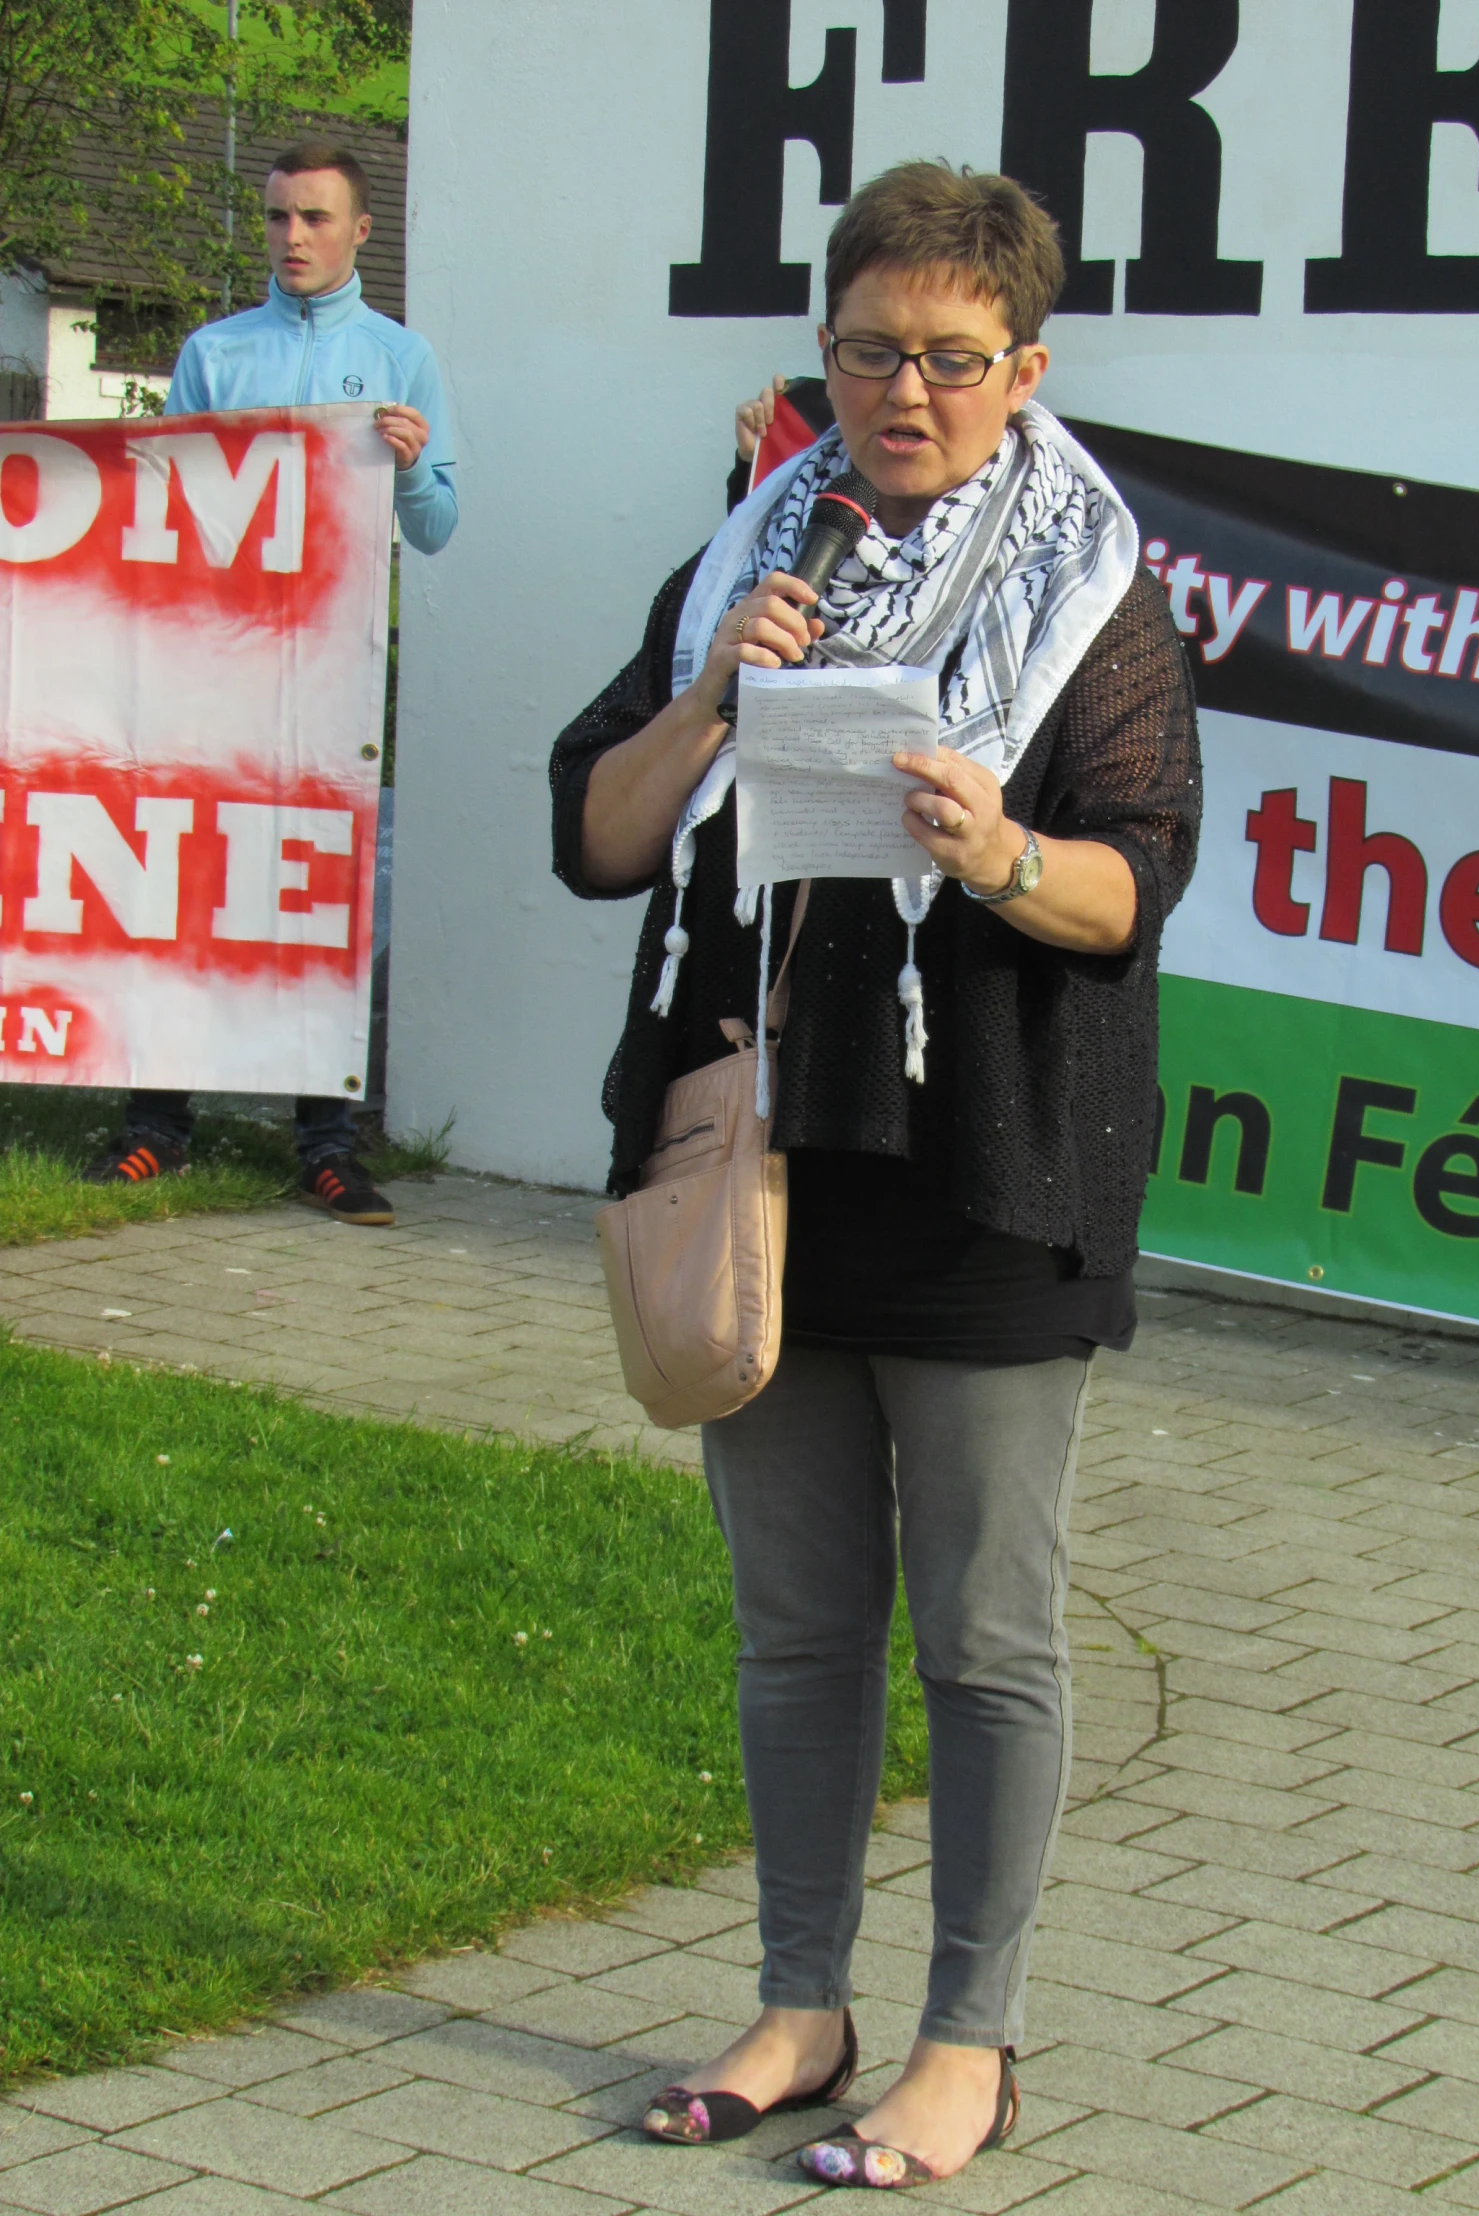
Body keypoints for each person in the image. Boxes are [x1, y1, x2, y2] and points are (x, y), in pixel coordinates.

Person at [550, 161, 1199, 2188]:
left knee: (989, 1641)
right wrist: (720, 694)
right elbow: (596, 828)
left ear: (1025, 367)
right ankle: (800, 2001)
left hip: (992, 1181)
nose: (901, 390)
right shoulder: (756, 549)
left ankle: (969, 2043)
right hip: (774, 1175)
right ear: (819, 357)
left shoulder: (1096, 589)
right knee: (797, 1624)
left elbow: (1134, 880)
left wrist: (998, 851)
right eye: (866, 350)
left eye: (947, 357)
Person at [85, 139, 459, 1227]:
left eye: (314, 219)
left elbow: (436, 531)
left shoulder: (401, 357)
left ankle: (325, 1142)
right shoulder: (214, 353)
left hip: (335, 674)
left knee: (320, 890)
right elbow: (163, 506)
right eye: (278, 219)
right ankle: (159, 1121)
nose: (292, 238)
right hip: (218, 665)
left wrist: (415, 464)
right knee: (188, 876)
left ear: (359, 232)